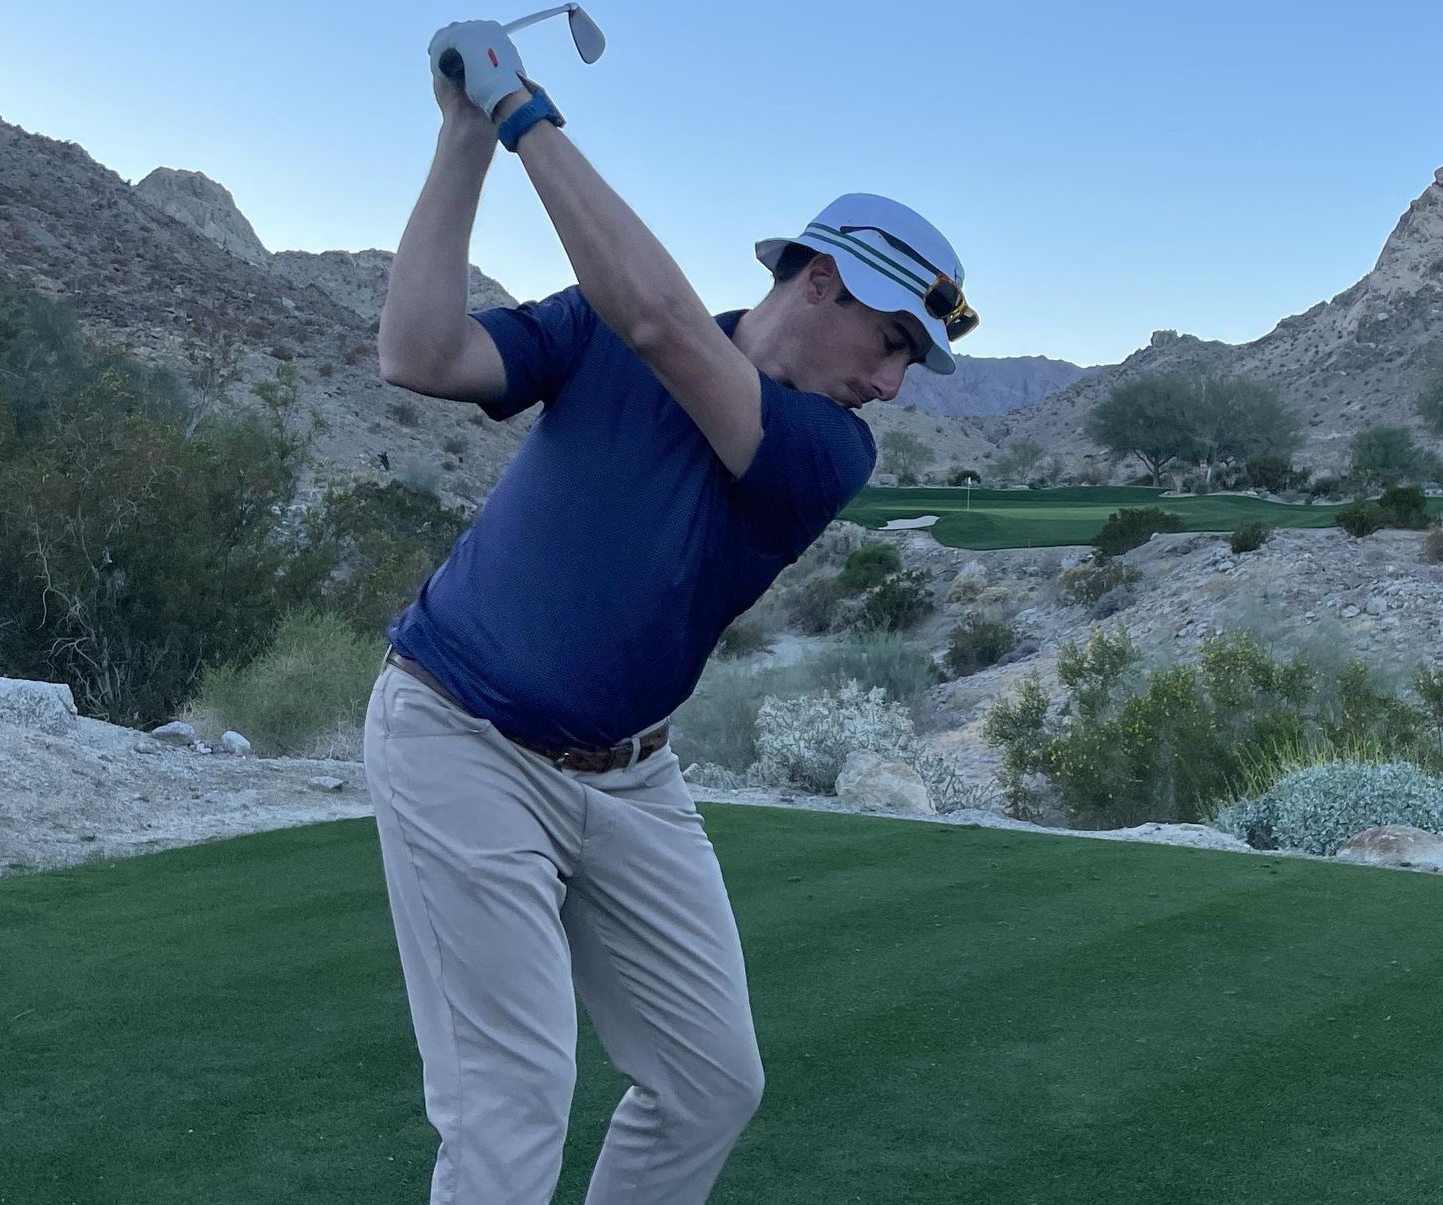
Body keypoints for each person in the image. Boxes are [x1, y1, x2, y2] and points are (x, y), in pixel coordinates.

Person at [359, 17, 978, 1205]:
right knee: (509, 1104)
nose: (893, 381)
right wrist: (464, 137)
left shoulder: (828, 446)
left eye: (913, 359)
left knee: (708, 1082)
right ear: (820, 277)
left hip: (633, 778)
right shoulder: (596, 323)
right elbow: (418, 352)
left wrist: (521, 107)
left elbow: (666, 327)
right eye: (892, 340)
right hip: (458, 733)